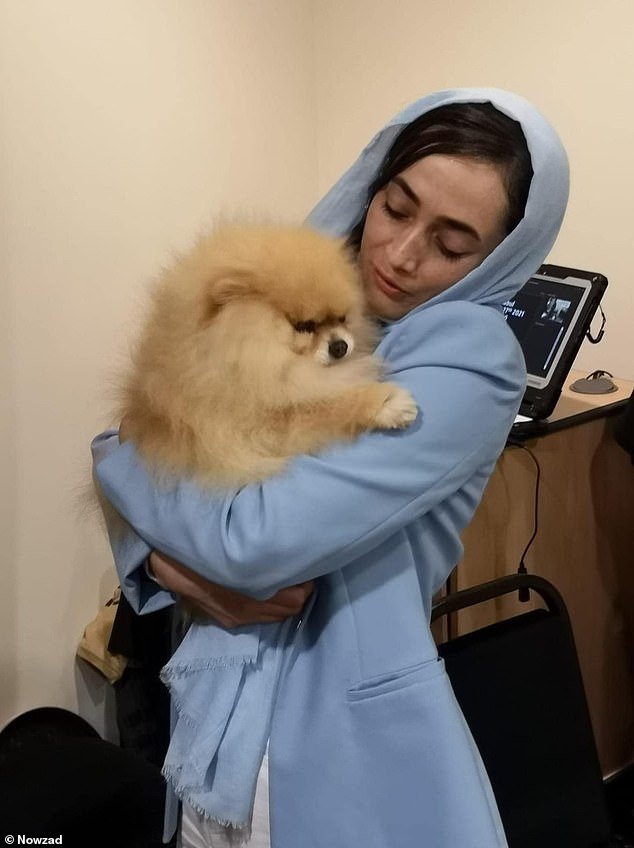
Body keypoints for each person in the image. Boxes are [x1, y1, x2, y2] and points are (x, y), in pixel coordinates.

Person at [92, 87, 569, 848]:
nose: (400, 253)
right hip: (214, 723)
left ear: (499, 260)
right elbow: (143, 425)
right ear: (368, 187)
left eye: (452, 245)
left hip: (329, 739)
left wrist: (128, 473)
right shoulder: (300, 290)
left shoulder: (468, 358)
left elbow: (253, 540)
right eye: (396, 206)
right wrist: (159, 555)